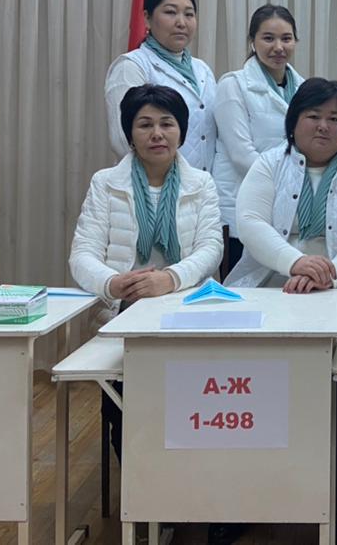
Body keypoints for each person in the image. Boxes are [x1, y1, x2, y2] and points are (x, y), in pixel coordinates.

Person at [225, 78, 337, 545]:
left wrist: (328, 274)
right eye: (313, 116)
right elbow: (250, 223)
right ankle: (245, 493)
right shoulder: (268, 164)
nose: (323, 126)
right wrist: (295, 263)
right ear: (293, 121)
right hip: (270, 286)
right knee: (246, 383)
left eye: (335, 118)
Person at [70, 84, 223, 459]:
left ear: (181, 131)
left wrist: (168, 280)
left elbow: (211, 248)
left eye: (167, 124)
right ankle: (138, 483)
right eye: (145, 125)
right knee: (128, 417)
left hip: (187, 311)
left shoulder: (201, 183)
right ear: (130, 133)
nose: (157, 134)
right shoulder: (106, 183)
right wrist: (112, 283)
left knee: (190, 410)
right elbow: (82, 254)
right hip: (123, 313)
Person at [213, 4, 306, 269]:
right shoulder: (233, 84)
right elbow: (241, 154)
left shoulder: (304, 88)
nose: (278, 47)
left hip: (289, 208)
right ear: (252, 41)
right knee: (243, 285)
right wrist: (287, 184)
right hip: (243, 202)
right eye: (268, 38)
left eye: (286, 38)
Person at [104, 0, 218, 173]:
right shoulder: (131, 66)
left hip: (203, 185)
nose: (181, 22)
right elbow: (123, 139)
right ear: (147, 18)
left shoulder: (202, 69)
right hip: (153, 182)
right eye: (170, 12)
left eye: (189, 14)